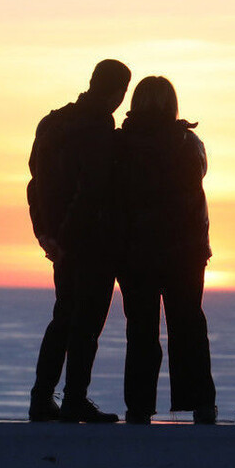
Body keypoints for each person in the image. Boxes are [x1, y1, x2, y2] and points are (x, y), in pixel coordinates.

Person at [27, 59, 131, 423]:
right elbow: (92, 189)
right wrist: (68, 236)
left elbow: (34, 183)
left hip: (60, 241)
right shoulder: (99, 127)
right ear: (118, 92)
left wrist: (46, 234)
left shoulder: (52, 122)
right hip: (91, 241)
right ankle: (74, 399)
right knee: (85, 324)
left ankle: (42, 398)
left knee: (63, 317)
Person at [114, 76, 217, 424]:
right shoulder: (189, 143)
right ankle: (201, 404)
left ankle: (139, 406)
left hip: (135, 252)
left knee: (141, 330)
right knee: (189, 326)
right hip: (184, 252)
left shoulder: (121, 144)